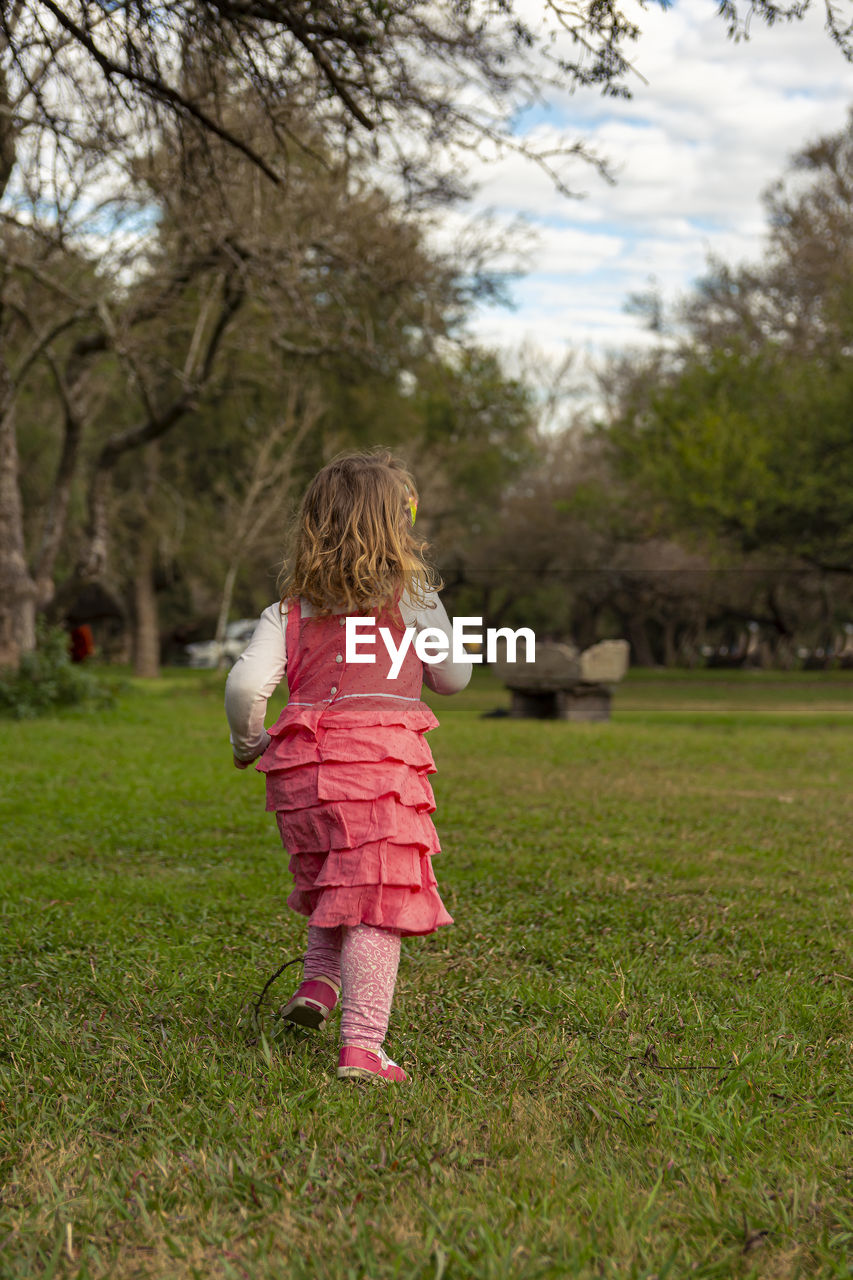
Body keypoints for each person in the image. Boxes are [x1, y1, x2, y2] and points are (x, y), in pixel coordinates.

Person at [225, 450, 472, 1083]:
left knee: (335, 875)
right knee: (376, 902)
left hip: (301, 769)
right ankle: (363, 1046)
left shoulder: (289, 611)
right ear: (400, 527)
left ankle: (317, 985)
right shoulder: (412, 599)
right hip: (378, 765)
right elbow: (455, 677)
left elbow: (248, 684)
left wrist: (248, 742)